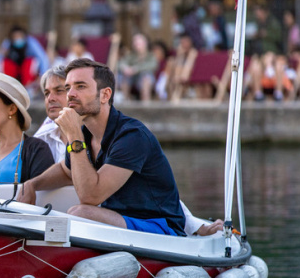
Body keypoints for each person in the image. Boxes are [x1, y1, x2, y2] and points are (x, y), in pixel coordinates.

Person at [19, 58, 186, 236]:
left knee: (81, 213)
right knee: (75, 214)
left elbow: (91, 196)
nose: (71, 94)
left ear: (105, 95)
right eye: (68, 88)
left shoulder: (131, 136)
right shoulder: (85, 134)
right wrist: (32, 184)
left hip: (161, 229)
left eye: (80, 86)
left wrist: (74, 135)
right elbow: (65, 170)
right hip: (122, 223)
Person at [34, 65, 68, 162]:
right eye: (47, 93)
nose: (50, 98)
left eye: (59, 91)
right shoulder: (41, 139)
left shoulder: (96, 137)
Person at [117, 33, 158, 102]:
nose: (136, 44)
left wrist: (136, 69)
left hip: (145, 78)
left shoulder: (151, 55)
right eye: (135, 41)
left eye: (139, 42)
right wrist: (125, 68)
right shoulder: (130, 55)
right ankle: (126, 101)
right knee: (124, 77)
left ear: (145, 43)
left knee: (146, 78)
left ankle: (146, 103)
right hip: (132, 78)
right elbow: (120, 63)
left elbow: (153, 65)